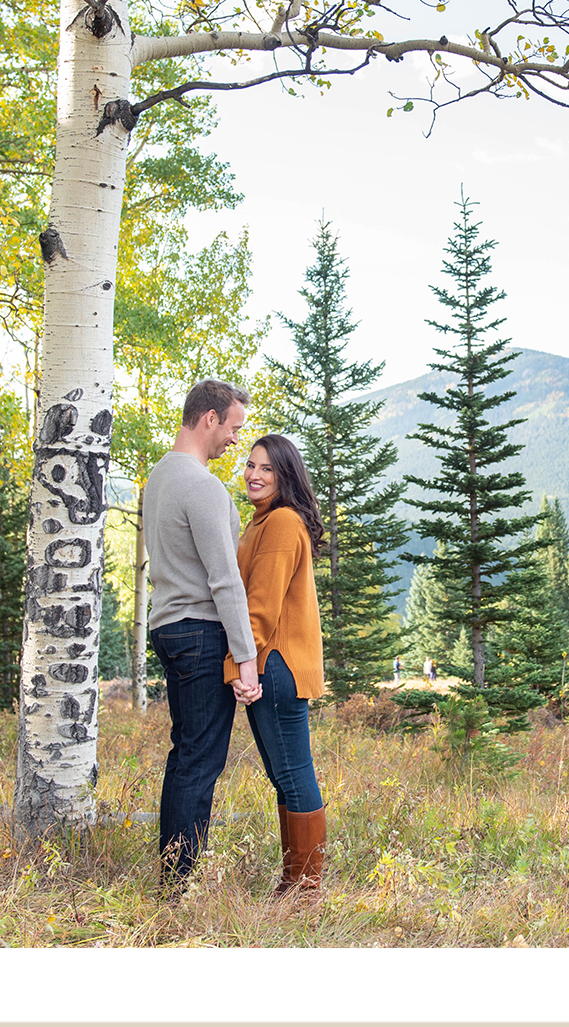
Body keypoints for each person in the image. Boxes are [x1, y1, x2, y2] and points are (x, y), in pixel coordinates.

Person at [143, 379, 262, 892]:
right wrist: (247, 656)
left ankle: (175, 873)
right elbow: (224, 579)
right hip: (200, 631)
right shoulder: (202, 485)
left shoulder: (158, 478)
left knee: (185, 752)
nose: (236, 439)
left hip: (168, 627)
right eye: (233, 427)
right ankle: (180, 883)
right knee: (201, 758)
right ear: (210, 418)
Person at [223, 433, 328, 894]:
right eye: (250, 465)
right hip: (268, 664)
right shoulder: (262, 523)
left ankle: (304, 888)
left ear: (285, 475)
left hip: (276, 666)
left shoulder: (282, 523)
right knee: (282, 774)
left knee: (292, 772)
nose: (254, 475)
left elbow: (258, 609)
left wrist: (234, 666)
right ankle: (294, 882)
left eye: (266, 468)